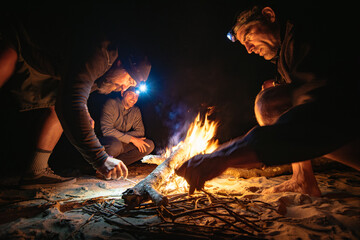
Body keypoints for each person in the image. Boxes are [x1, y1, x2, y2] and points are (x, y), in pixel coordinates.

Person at [176, 1, 359, 197]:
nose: (248, 49)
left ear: (269, 15)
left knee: (268, 104)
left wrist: (226, 155)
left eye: (247, 36)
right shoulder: (286, 53)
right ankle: (302, 179)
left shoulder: (306, 32)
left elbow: (316, 112)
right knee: (270, 98)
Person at [0, 9, 151, 188]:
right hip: (17, 38)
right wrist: (100, 158)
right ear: (121, 63)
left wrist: (83, 110)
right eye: (129, 80)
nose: (125, 87)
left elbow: (77, 93)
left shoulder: (105, 77)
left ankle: (36, 171)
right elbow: (72, 101)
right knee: (64, 106)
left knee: (57, 109)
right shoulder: (102, 53)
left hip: (46, 67)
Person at [98, 86, 155, 170]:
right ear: (122, 93)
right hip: (106, 143)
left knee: (148, 145)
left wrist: (125, 137)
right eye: (130, 94)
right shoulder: (111, 104)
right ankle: (100, 166)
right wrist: (132, 139)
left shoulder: (135, 111)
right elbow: (106, 131)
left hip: (121, 143)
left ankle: (114, 167)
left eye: (136, 96)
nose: (133, 98)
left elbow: (140, 132)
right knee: (115, 145)